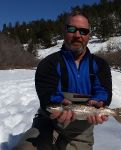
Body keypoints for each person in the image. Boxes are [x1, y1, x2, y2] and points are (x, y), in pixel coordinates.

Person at [13, 10, 112, 150]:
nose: (78, 35)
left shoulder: (100, 65)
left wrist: (99, 103)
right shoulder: (48, 63)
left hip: (81, 130)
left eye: (83, 31)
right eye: (72, 29)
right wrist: (57, 102)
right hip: (48, 122)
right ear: (64, 31)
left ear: (88, 35)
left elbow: (103, 90)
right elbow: (47, 94)